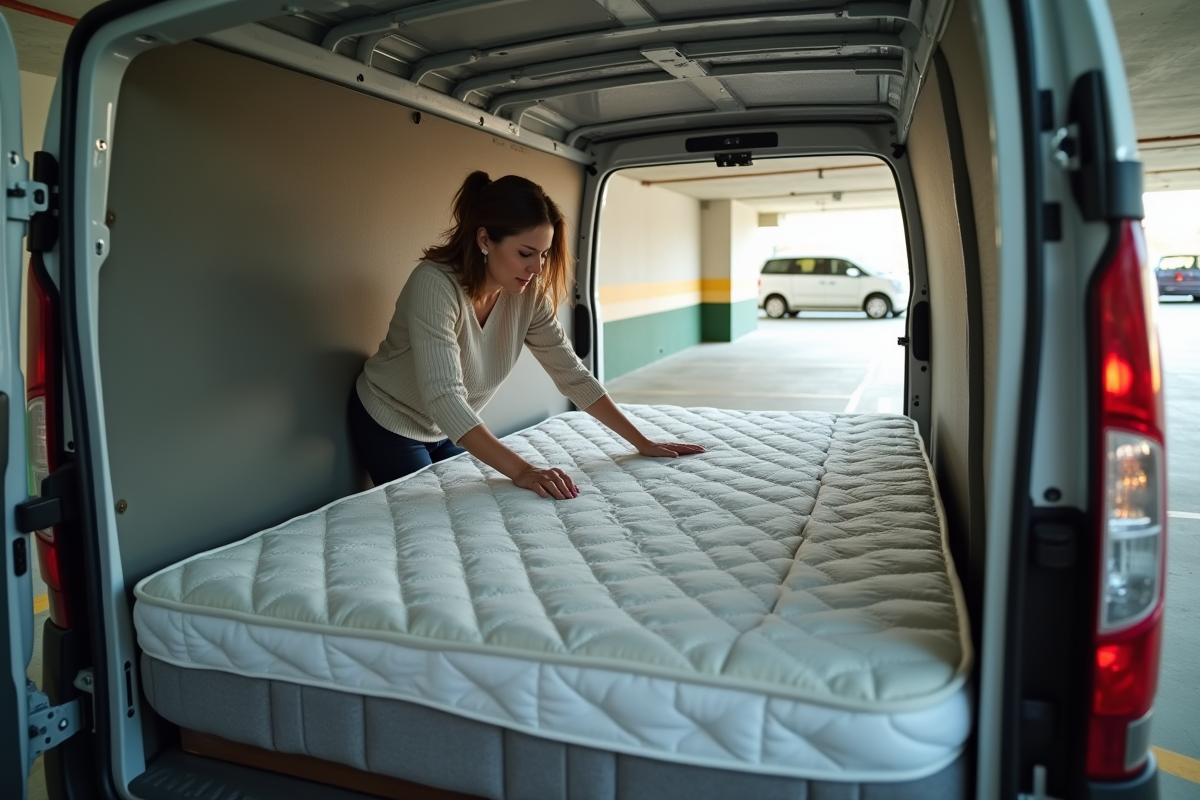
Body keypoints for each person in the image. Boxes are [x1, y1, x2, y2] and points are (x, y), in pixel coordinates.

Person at [349, 171, 704, 499]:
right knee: (430, 522)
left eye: (544, 255)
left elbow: (573, 375)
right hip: (392, 420)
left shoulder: (527, 295)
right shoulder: (434, 285)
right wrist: (523, 470)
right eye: (525, 253)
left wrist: (641, 441)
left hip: (448, 428)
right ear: (485, 239)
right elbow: (444, 397)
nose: (536, 269)